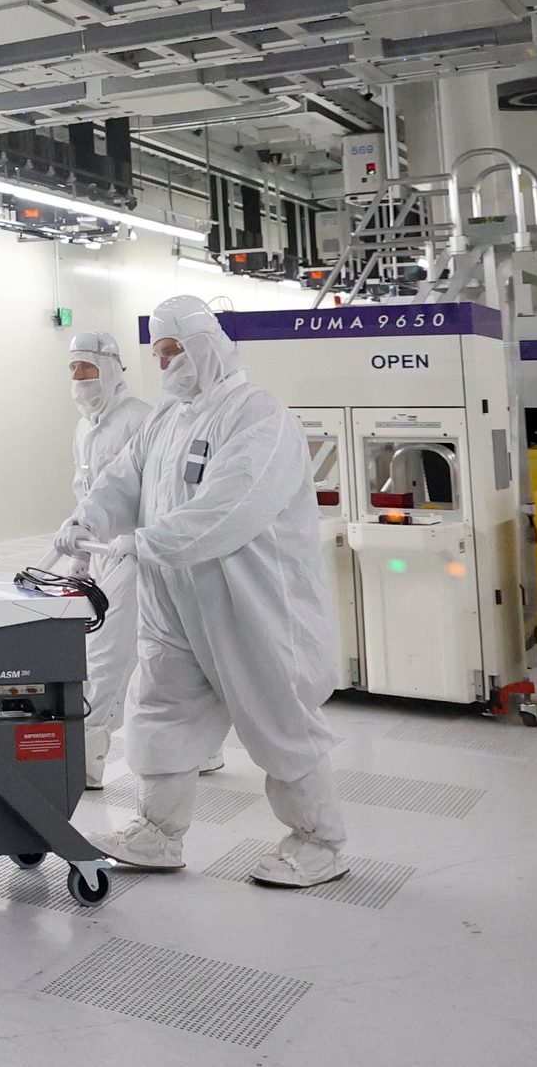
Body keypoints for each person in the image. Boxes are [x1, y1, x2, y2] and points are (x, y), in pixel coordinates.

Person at [68, 295, 350, 885]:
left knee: (279, 716)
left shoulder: (257, 417)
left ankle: (318, 841)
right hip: (173, 599)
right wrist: (90, 518)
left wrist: (145, 543)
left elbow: (230, 508)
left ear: (206, 347)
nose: (165, 363)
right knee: (162, 708)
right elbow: (125, 477)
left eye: (173, 351)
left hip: (250, 603)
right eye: (158, 353)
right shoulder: (166, 421)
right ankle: (158, 833)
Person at [55, 332, 156, 790]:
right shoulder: (85, 427)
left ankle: (85, 762)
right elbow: (88, 491)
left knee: (108, 654)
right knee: (123, 653)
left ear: (112, 369)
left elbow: (154, 492)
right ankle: (203, 751)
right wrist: (80, 549)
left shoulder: (140, 420)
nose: (78, 377)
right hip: (100, 553)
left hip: (138, 551)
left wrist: (140, 541)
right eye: (73, 368)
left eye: (87, 368)